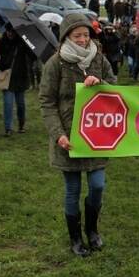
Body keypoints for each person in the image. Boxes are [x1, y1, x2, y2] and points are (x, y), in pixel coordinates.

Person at [39, 13, 117, 257]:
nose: (83, 40)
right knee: (72, 190)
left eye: (86, 34)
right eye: (77, 35)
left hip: (96, 137)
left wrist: (101, 82)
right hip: (68, 139)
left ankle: (92, 230)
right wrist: (58, 134)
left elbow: (115, 88)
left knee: (97, 185)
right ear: (66, 37)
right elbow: (47, 102)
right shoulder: (55, 64)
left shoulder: (99, 58)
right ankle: (76, 238)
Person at [0, 25, 34, 136]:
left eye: (12, 31)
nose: (10, 33)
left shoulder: (23, 42)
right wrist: (0, 65)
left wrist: (29, 43)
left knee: (20, 103)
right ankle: (8, 128)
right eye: (8, 31)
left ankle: (21, 125)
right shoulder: (1, 41)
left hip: (21, 75)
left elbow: (33, 56)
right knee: (8, 103)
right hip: (7, 75)